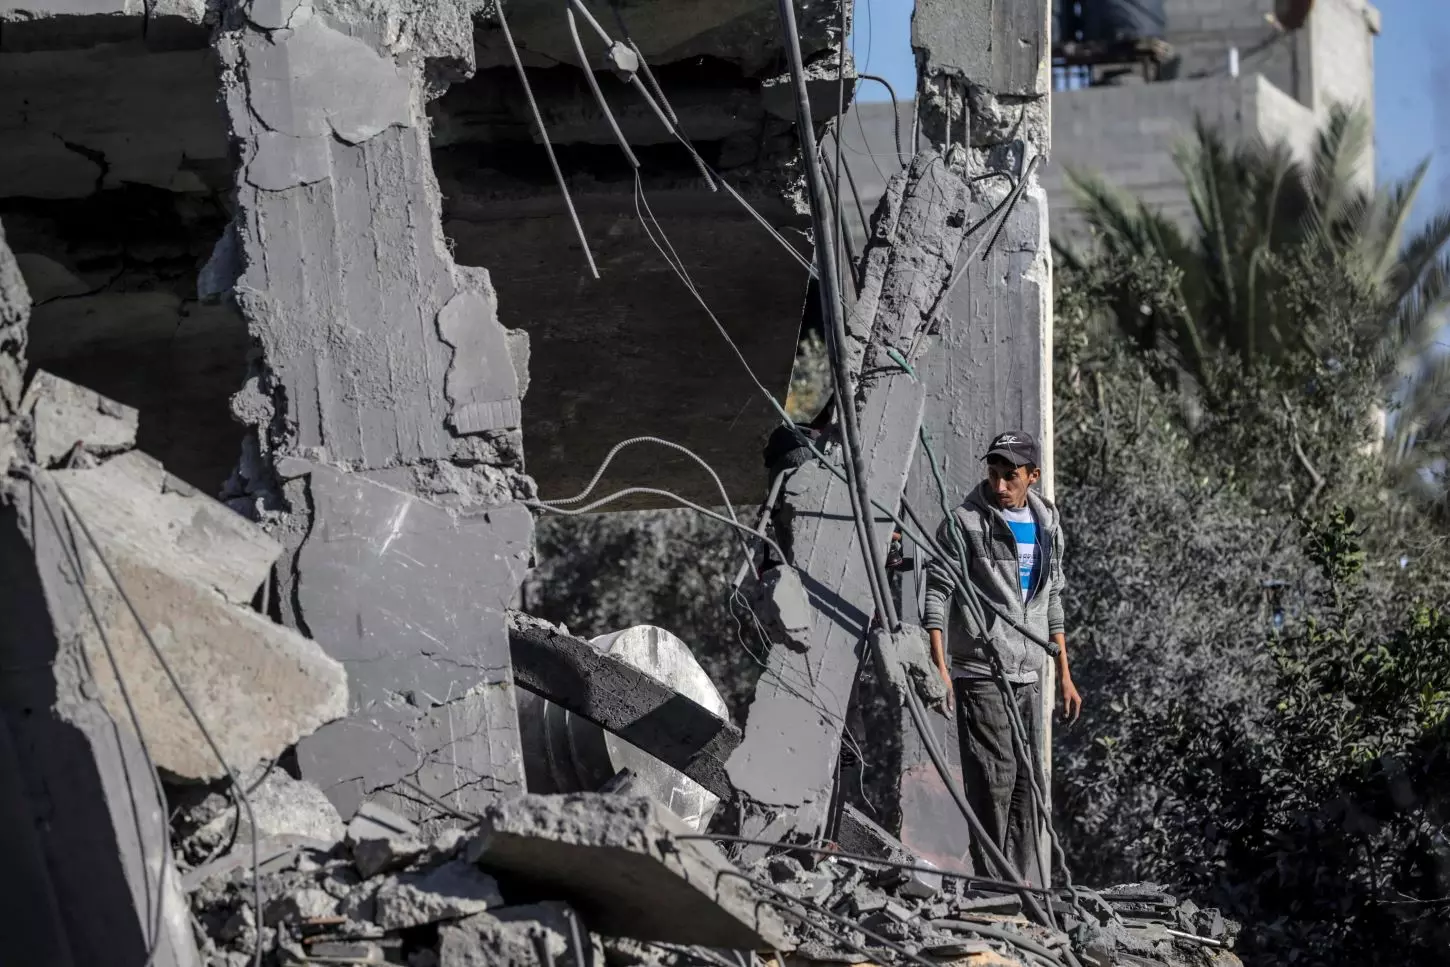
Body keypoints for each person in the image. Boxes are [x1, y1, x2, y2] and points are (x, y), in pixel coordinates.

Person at [921, 429, 1082, 887]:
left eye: (1010, 476)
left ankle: (1019, 885)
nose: (999, 484)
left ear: (1032, 476)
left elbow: (1052, 599)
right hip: (980, 670)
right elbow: (937, 593)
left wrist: (1063, 674)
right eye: (993, 473)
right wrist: (939, 667)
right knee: (995, 777)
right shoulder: (964, 522)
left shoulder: (1047, 523)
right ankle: (994, 884)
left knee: (1028, 783)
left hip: (1028, 673)